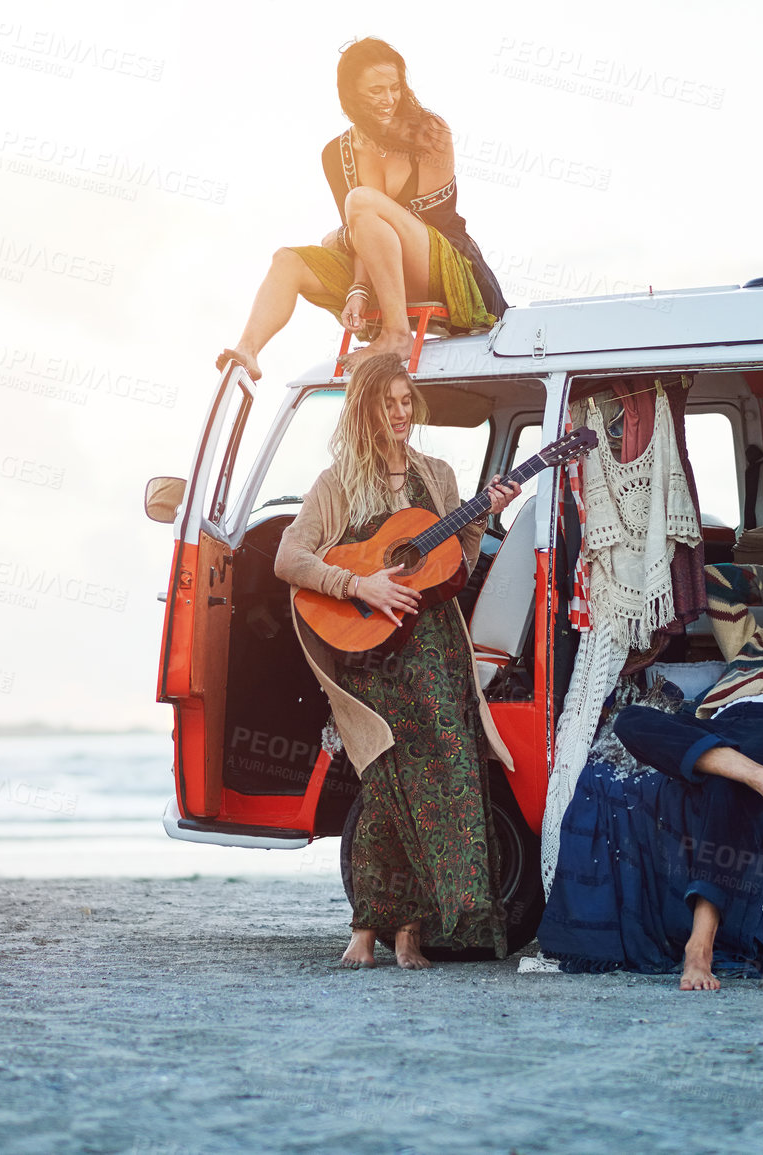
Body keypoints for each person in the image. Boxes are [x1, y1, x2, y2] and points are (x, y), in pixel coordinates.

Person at [538, 545, 763, 990]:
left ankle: (700, 945)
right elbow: (716, 579)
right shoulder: (757, 641)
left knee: (725, 788)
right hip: (724, 719)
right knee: (633, 720)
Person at [273, 352, 521, 968]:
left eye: (407, 401)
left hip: (436, 650)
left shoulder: (435, 475)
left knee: (450, 783)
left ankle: (411, 931)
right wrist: (359, 586)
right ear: (364, 410)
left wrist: (484, 513)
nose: (401, 413)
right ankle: (369, 928)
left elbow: (454, 560)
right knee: (387, 784)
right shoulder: (335, 484)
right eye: (388, 403)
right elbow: (288, 559)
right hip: (375, 659)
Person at [217, 38, 507, 382]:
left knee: (359, 202)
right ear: (351, 94)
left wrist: (342, 237)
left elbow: (425, 221)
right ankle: (247, 352)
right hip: (380, 274)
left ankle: (398, 335)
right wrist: (359, 289)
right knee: (286, 260)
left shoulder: (431, 132)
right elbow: (366, 234)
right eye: (376, 91)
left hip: (442, 264)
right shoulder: (335, 154)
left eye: (395, 87)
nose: (389, 99)